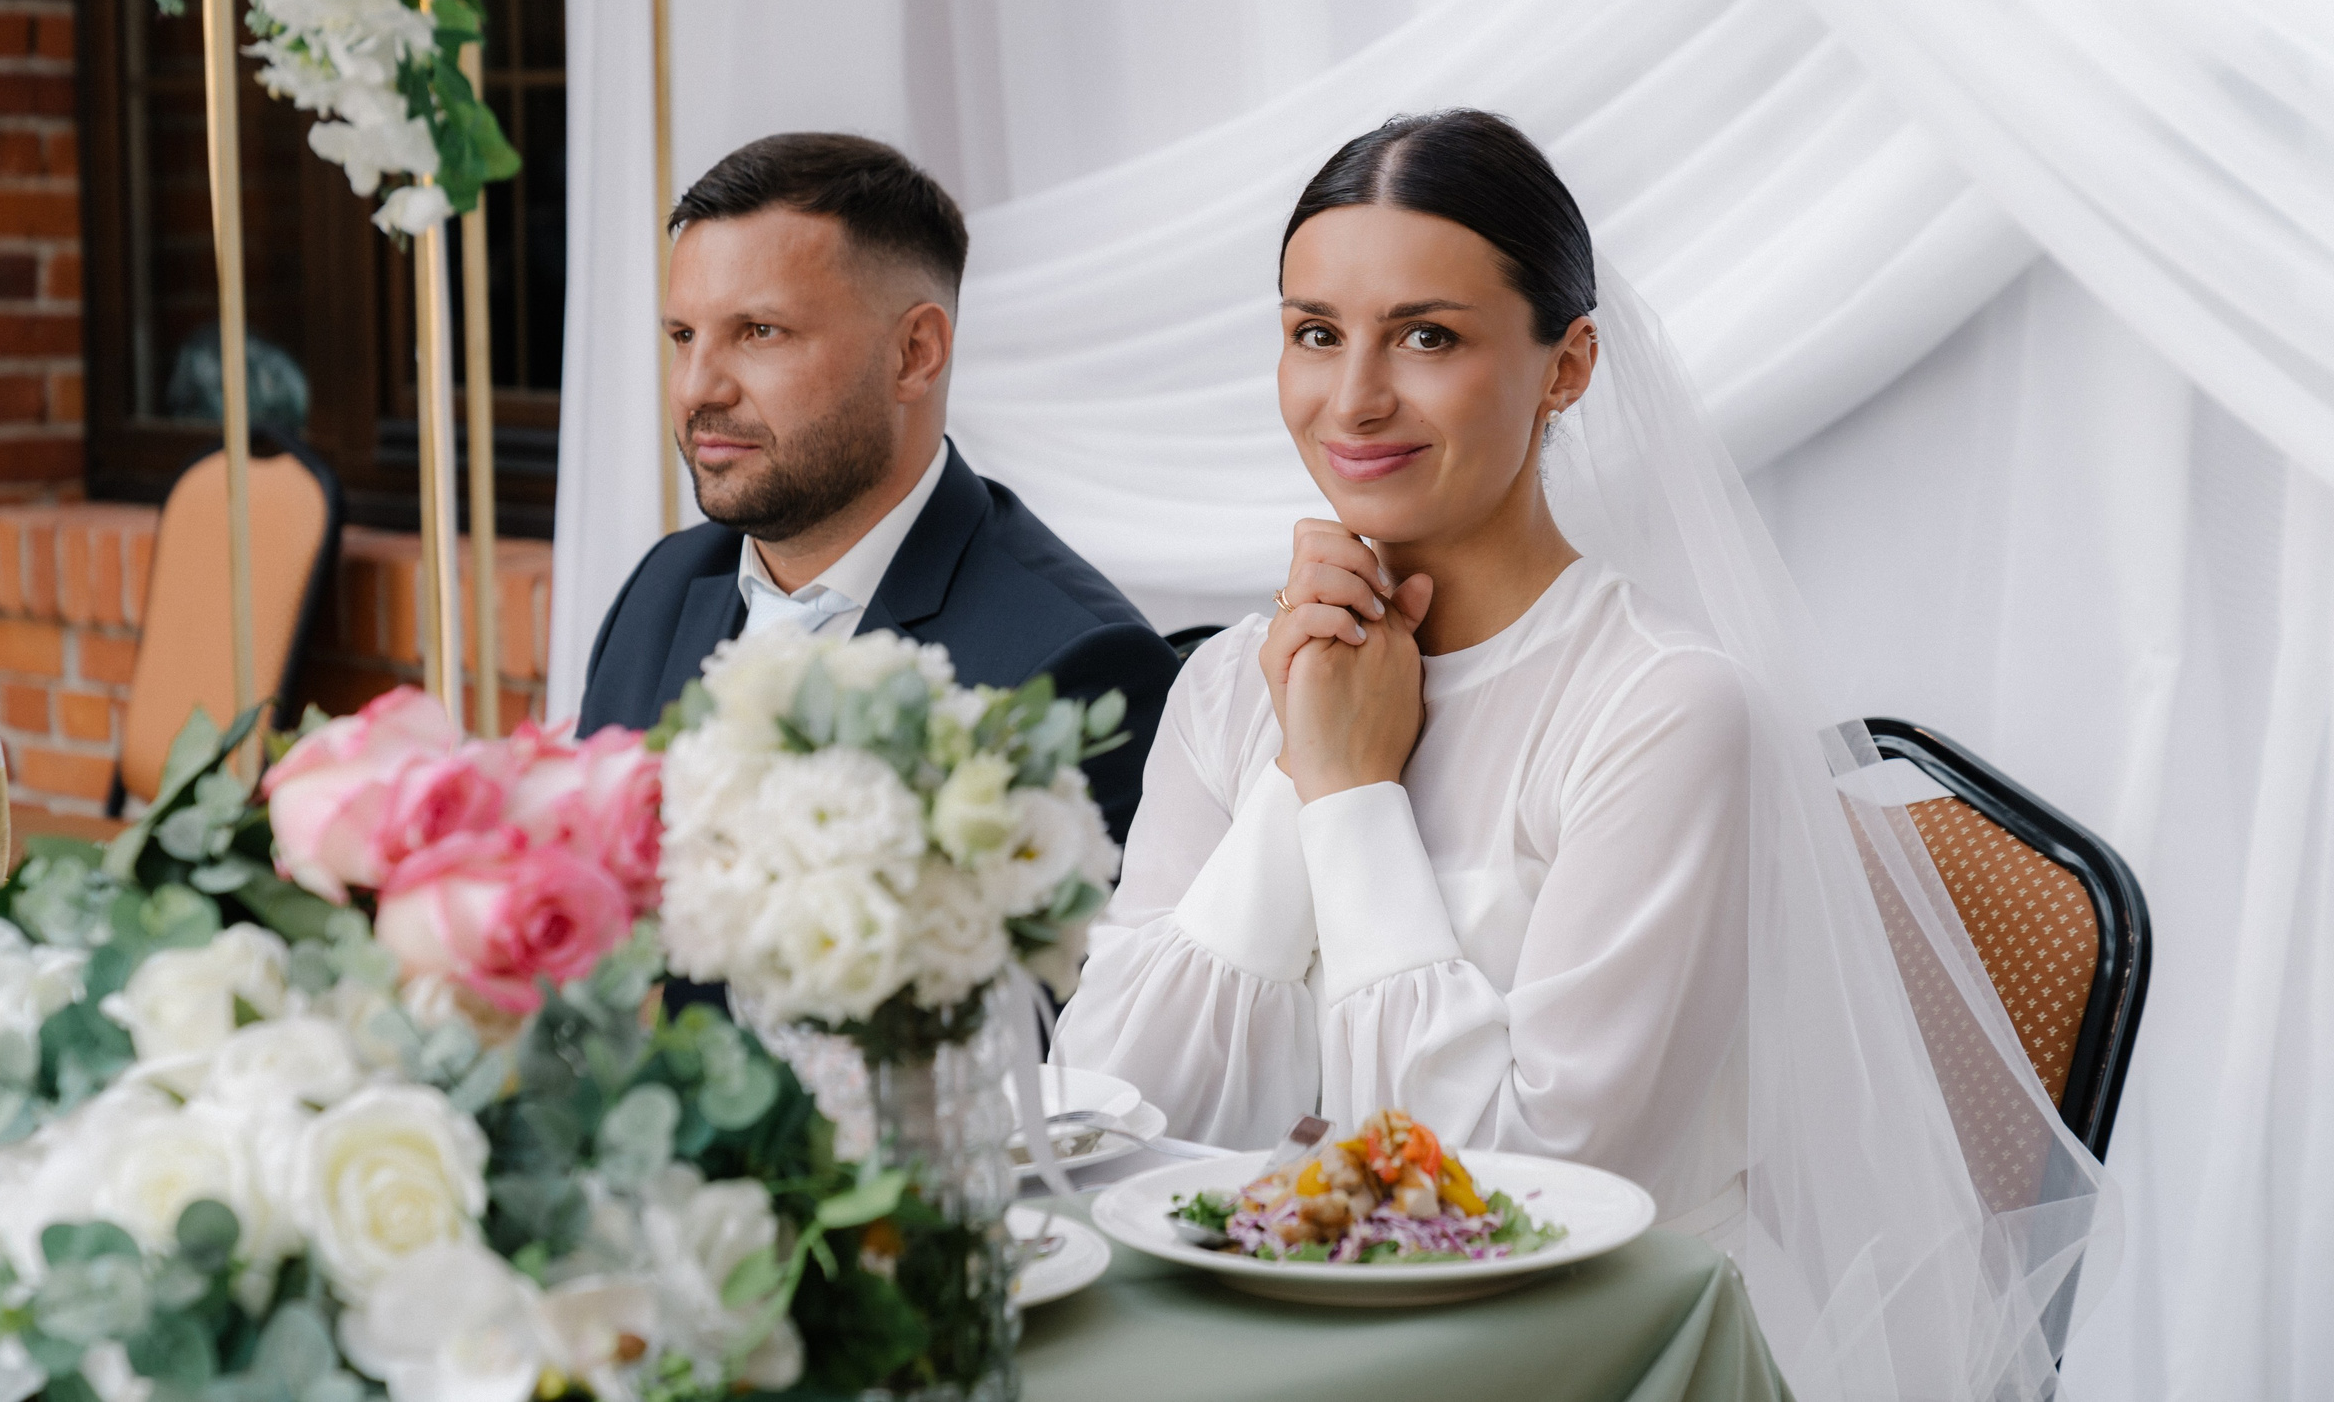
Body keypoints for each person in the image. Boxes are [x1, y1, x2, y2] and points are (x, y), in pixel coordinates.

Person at [1052, 111, 2110, 1401]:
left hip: (1598, 1362)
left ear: (1567, 367)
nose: (1354, 397)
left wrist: (1345, 793)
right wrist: (1300, 762)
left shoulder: (1663, 709)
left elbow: (1519, 1193)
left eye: (1426, 336)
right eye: (1314, 332)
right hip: (1277, 1349)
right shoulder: (1228, 685)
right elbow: (1102, 1115)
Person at [577, 132, 1181, 850]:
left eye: (760, 331)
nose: (697, 387)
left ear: (913, 354)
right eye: (683, 334)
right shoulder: (663, 587)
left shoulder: (1075, 665)